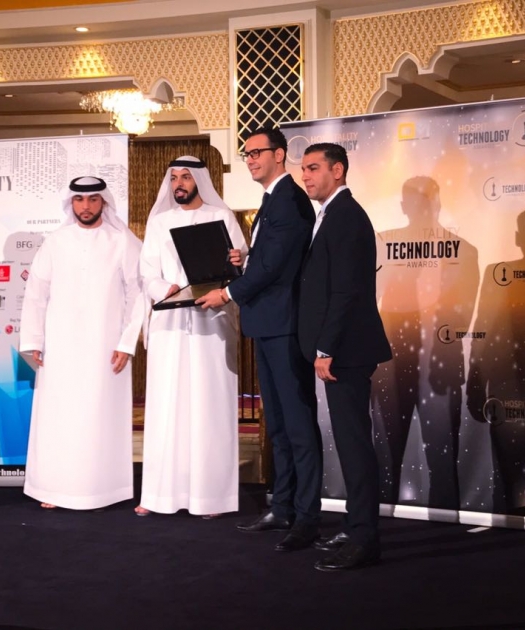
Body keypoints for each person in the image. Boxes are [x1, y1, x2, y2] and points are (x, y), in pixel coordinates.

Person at [197, 127, 318, 552]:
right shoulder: (272, 199)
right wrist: (246, 257)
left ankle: (307, 517)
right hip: (268, 323)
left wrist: (228, 292)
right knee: (278, 425)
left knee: (298, 426)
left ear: (279, 155)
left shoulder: (289, 198)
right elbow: (270, 258)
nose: (249, 159)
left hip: (285, 325)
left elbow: (278, 267)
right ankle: (282, 506)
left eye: (256, 153)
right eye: (246, 154)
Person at [19, 176, 144, 510]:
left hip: (106, 347)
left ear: (104, 202)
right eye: (79, 200)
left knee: (99, 415)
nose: (85, 206)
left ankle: (103, 489)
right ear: (70, 203)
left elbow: (138, 294)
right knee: (60, 416)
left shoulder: (122, 241)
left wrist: (127, 342)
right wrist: (34, 339)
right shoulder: (55, 242)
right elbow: (36, 294)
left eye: (92, 199)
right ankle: (55, 489)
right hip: (60, 346)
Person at [135, 156, 248, 518]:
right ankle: (158, 496)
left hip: (210, 324)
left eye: (186, 177)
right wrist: (163, 288)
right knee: (166, 407)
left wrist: (238, 260)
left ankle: (210, 498)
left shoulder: (222, 216)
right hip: (170, 324)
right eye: (174, 178)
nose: (179, 184)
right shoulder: (159, 222)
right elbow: (147, 272)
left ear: (199, 180)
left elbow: (242, 264)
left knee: (209, 407)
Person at [297, 143, 392, 570]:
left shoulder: (347, 216)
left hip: (346, 351)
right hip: (342, 349)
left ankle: (364, 538)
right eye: (303, 169)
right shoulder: (331, 214)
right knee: (351, 443)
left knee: (354, 446)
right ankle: (355, 526)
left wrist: (326, 348)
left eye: (313, 168)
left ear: (338, 170)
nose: (306, 176)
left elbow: (346, 290)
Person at [374, 176, 479, 510]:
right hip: (388, 362)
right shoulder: (382, 244)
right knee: (385, 455)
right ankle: (379, 519)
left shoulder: (464, 251)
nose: (421, 208)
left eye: (427, 200)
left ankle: (446, 519)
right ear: (404, 206)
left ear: (438, 203)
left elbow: (463, 316)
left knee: (442, 456)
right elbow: (367, 300)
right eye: (414, 202)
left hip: (440, 365)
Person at [465, 208, 525, 516]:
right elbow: (483, 328)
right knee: (510, 477)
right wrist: (476, 381)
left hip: (521, 384)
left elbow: (482, 329)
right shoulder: (497, 273)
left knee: (515, 477)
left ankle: (513, 527)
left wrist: (476, 381)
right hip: (509, 384)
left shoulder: (500, 273)